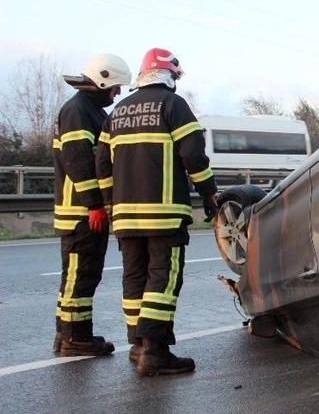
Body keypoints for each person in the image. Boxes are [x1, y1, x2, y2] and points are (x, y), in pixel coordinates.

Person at [96, 48, 218, 375]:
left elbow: (102, 166)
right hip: (164, 213)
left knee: (134, 277)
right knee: (163, 279)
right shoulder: (173, 106)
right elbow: (193, 156)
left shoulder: (116, 113)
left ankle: (137, 345)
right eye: (175, 76)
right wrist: (209, 193)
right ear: (168, 75)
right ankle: (155, 350)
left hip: (124, 216)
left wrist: (111, 206)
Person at [53, 53, 131, 356]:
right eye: (114, 88)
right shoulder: (78, 111)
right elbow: (79, 160)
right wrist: (94, 205)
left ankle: (65, 335)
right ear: (101, 79)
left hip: (82, 211)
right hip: (82, 213)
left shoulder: (86, 110)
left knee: (78, 275)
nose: (117, 94)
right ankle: (76, 338)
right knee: (80, 276)